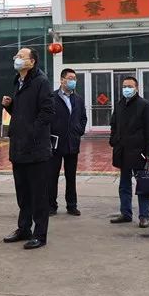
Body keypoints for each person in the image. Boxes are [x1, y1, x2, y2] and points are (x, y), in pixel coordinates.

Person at [1, 47, 54, 249]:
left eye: (21, 56)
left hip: (36, 149)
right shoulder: (19, 82)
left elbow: (47, 112)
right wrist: (9, 106)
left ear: (32, 62)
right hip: (19, 147)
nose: (16, 58)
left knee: (38, 195)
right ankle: (24, 229)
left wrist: (32, 132)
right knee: (23, 193)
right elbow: (22, 113)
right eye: (16, 56)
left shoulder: (41, 82)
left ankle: (40, 234)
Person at [109, 76, 149, 228]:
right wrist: (113, 140)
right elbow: (114, 124)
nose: (126, 89)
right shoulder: (119, 104)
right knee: (124, 185)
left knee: (142, 185)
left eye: (130, 86)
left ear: (136, 88)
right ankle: (125, 213)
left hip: (139, 152)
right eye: (124, 86)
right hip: (122, 151)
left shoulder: (145, 105)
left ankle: (144, 216)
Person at [48, 68, 87, 216]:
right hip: (55, 143)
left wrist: (79, 131)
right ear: (62, 80)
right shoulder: (51, 98)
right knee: (52, 176)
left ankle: (72, 205)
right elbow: (46, 118)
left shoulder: (78, 99)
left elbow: (83, 118)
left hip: (72, 143)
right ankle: (51, 206)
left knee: (71, 176)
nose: (73, 81)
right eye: (70, 78)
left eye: (74, 78)